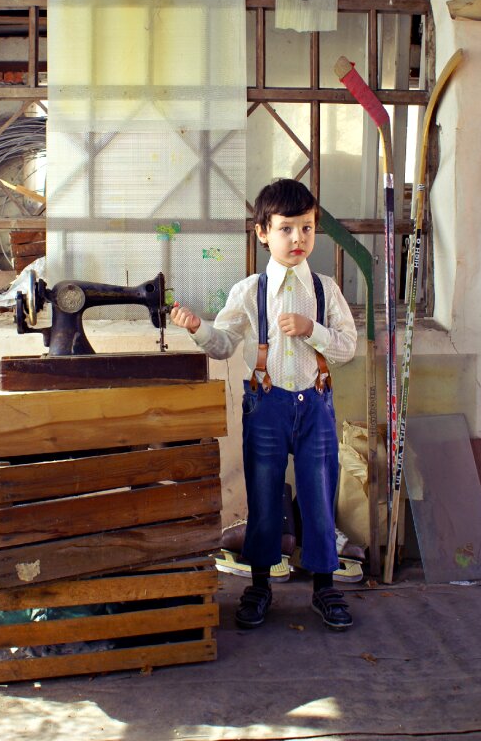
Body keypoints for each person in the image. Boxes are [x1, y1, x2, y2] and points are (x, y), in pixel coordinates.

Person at [171, 178, 357, 631]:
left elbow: (348, 347)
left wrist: (311, 328)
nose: (298, 239)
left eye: (308, 228)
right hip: (266, 406)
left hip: (315, 405)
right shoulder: (248, 291)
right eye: (287, 229)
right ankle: (259, 586)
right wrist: (198, 327)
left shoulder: (324, 289)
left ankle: (324, 588)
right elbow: (221, 345)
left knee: (318, 496)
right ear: (262, 232)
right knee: (264, 498)